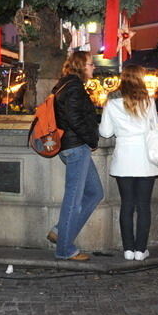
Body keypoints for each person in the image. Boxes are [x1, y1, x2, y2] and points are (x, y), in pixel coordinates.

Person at [99, 65, 158, 261]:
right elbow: (155, 129)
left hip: (124, 158)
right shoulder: (150, 102)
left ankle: (128, 249)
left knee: (127, 205)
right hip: (145, 158)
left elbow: (106, 132)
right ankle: (141, 250)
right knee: (143, 206)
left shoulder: (112, 103)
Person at [46, 51, 103, 262]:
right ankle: (64, 249)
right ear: (80, 66)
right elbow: (75, 118)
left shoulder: (63, 85)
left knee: (95, 192)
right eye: (90, 64)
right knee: (73, 198)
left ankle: (60, 232)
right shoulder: (74, 88)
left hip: (71, 146)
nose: (93, 67)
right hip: (76, 147)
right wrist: (92, 139)